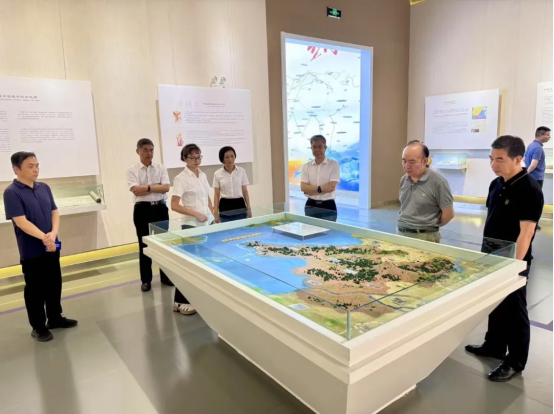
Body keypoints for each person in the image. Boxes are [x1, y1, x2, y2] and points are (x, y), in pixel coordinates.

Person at [466, 136, 544, 383]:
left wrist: (514, 266)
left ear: (518, 159)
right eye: (491, 159)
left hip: (514, 261)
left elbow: (526, 233)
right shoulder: (496, 184)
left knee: (514, 310)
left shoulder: (530, 189)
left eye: (500, 159)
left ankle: (515, 361)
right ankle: (494, 345)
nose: (493, 164)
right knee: (496, 302)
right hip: (491, 254)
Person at [3, 152, 78, 342]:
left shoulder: (44, 187)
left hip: (52, 245)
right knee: (35, 290)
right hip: (32, 250)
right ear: (16, 169)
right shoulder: (11, 192)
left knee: (54, 284)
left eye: (37, 165)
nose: (36, 169)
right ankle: (38, 327)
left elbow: (55, 212)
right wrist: (45, 238)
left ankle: (55, 318)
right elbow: (21, 222)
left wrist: (53, 234)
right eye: (30, 166)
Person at [170, 144, 215, 316]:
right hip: (190, 225)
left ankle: (196, 297)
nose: (197, 161)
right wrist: (196, 214)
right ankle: (180, 301)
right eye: (192, 157)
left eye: (199, 157)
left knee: (205, 262)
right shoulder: (181, 178)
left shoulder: (202, 175)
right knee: (188, 264)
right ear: (184, 159)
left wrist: (212, 214)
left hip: (206, 224)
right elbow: (174, 205)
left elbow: (206, 196)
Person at [126, 139, 173, 293]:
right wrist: (155, 187)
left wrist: (146, 187)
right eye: (145, 150)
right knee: (144, 245)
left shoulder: (160, 167)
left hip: (160, 209)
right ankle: (146, 280)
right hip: (142, 210)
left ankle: (165, 277)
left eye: (151, 150)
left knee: (163, 244)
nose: (149, 153)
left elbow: (166, 188)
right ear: (138, 151)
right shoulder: (131, 170)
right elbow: (136, 190)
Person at [398, 140, 455, 243]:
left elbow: (448, 214)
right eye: (404, 161)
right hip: (401, 233)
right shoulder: (404, 179)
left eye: (412, 162)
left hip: (425, 237)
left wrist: (429, 227)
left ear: (424, 161)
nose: (406, 166)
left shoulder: (438, 182)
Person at [301, 135, 341, 222]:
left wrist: (310, 190)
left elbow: (330, 187)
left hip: (328, 205)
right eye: (314, 147)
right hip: (310, 205)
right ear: (311, 148)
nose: (317, 150)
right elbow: (303, 188)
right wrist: (321, 189)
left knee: (328, 230)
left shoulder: (333, 164)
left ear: (325, 148)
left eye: (320, 147)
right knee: (310, 229)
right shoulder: (306, 166)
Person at [214, 146, 252, 223]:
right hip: (225, 205)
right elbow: (217, 194)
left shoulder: (241, 171)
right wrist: (215, 212)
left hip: (239, 204)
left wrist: (249, 208)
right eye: (227, 157)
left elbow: (245, 191)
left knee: (242, 227)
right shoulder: (217, 173)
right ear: (222, 159)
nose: (230, 159)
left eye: (232, 156)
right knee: (227, 229)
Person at [525, 126, 551, 230]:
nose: (549, 137)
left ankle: (528, 222)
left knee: (530, 201)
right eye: (547, 135)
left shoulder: (531, 145)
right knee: (536, 202)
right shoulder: (538, 148)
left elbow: (525, 159)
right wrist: (526, 174)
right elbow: (533, 165)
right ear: (540, 135)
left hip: (531, 178)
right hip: (536, 179)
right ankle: (533, 224)